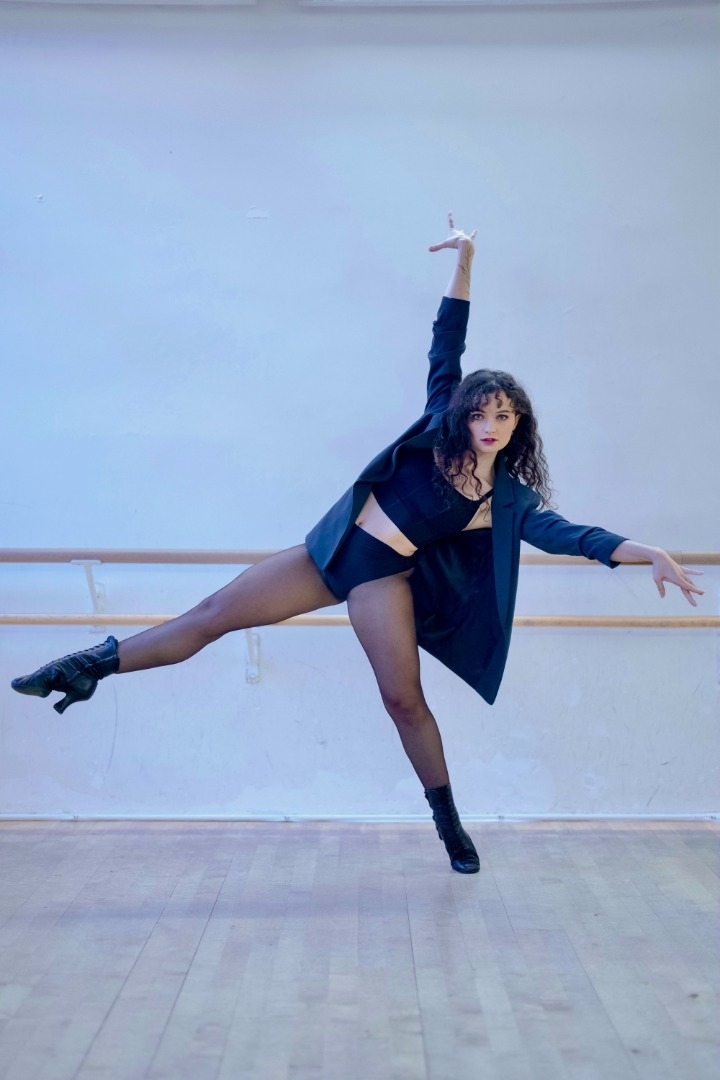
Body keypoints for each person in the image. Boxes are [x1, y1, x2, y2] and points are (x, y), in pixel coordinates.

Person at [11, 214, 704, 874]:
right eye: (481, 413)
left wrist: (646, 552)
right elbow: (447, 339)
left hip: (381, 583)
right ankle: (86, 667)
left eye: (503, 415)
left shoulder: (505, 501)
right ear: (464, 415)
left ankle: (449, 822)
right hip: (329, 556)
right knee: (212, 615)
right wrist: (466, 260)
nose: (490, 424)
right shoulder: (437, 423)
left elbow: (572, 536)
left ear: (518, 423)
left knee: (404, 701)